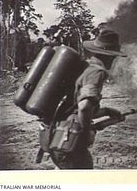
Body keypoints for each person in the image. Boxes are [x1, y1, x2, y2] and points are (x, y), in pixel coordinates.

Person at [52, 27, 127, 169]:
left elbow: (74, 107)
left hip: (59, 136)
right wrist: (86, 134)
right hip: (71, 142)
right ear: (109, 55)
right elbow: (84, 106)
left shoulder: (84, 66)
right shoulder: (96, 72)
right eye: (114, 55)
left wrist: (106, 111)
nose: (115, 59)